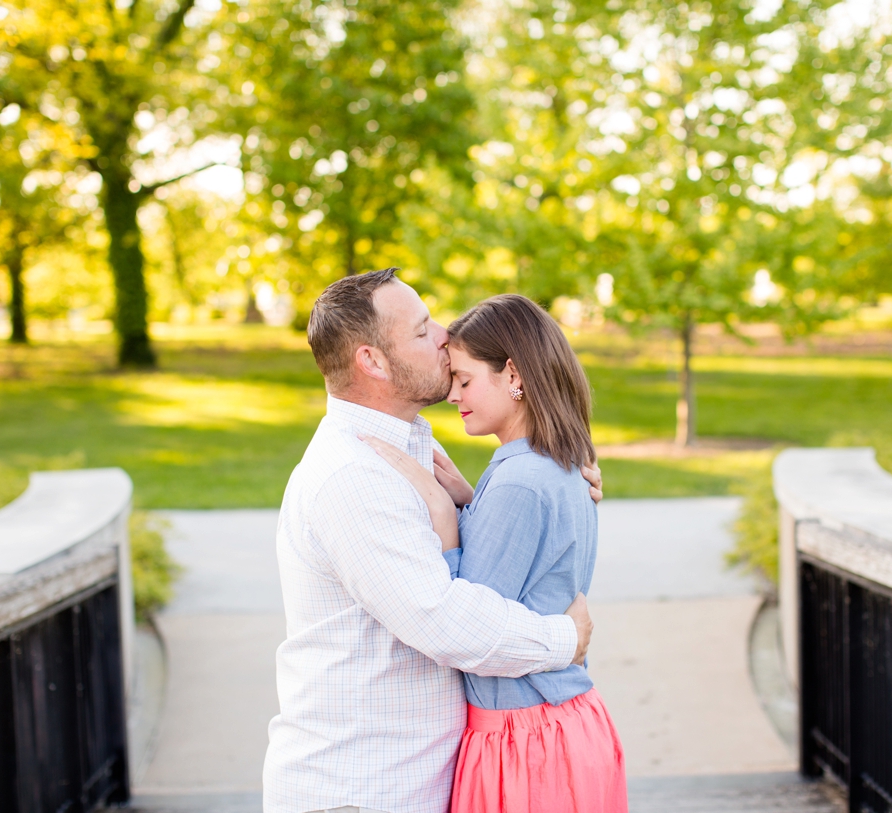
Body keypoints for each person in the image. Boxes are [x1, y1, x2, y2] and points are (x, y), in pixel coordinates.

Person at [263, 268, 603, 813]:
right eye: (422, 330)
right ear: (372, 361)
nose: (444, 334)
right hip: (362, 790)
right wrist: (564, 639)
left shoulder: (403, 444)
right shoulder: (354, 475)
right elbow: (442, 619)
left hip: (408, 782)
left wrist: (554, 484)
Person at [364, 294, 628, 813]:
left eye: (463, 379)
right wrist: (470, 502)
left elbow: (473, 617)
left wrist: (445, 522)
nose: (452, 394)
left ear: (514, 374)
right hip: (553, 726)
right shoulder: (554, 463)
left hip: (524, 740)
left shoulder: (520, 480)